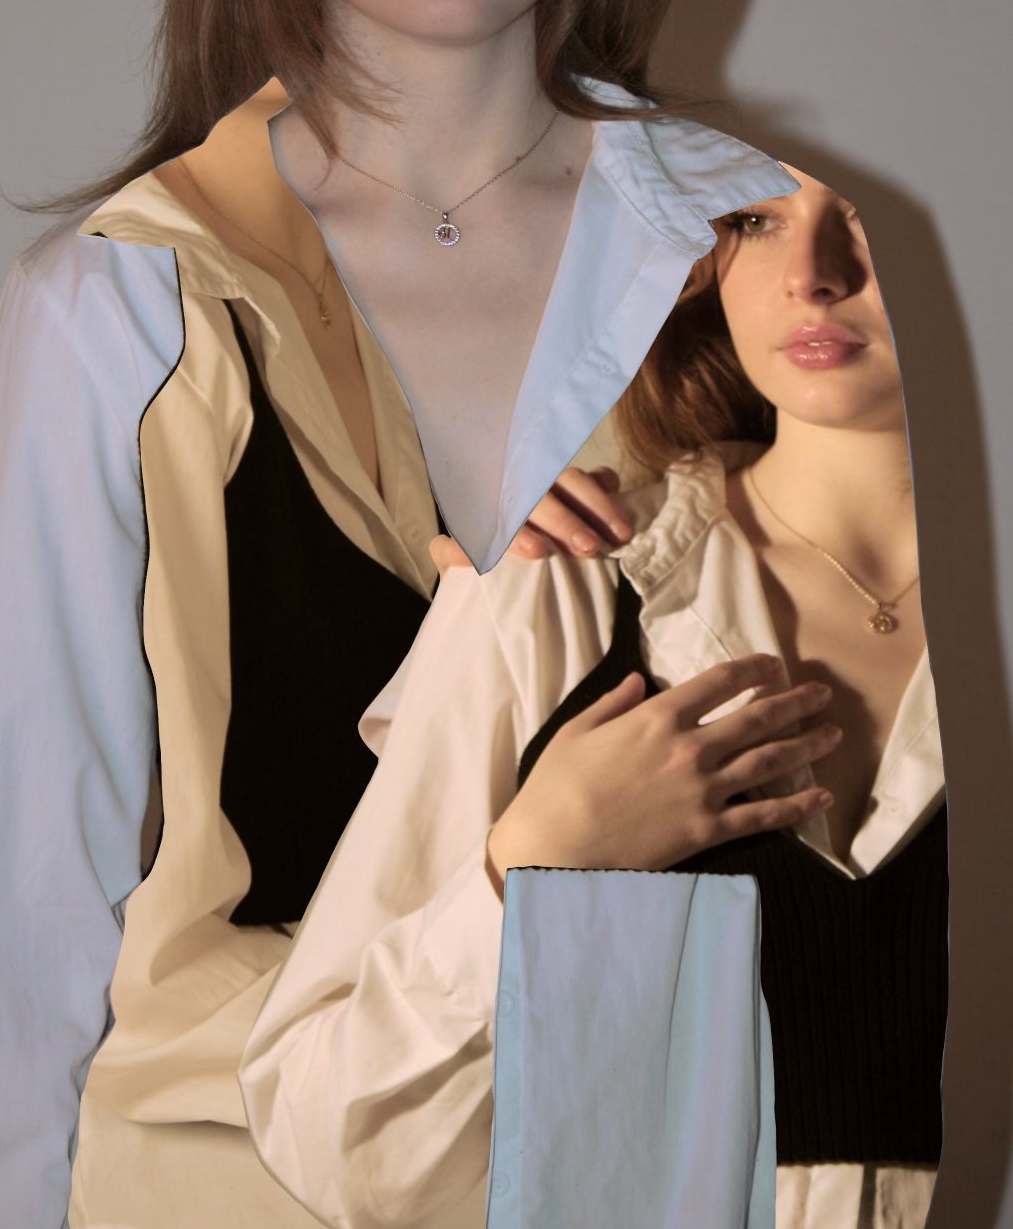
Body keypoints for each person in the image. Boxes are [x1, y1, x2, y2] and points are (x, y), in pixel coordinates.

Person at [0, 0, 801, 1229]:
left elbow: (860, 847)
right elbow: (16, 892)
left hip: (645, 1179)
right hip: (221, 1177)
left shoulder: (765, 263)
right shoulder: (120, 299)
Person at [240, 170, 945, 1229]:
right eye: (753, 218)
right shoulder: (550, 587)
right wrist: (533, 865)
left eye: (867, 214)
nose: (810, 275)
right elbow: (334, 1137)